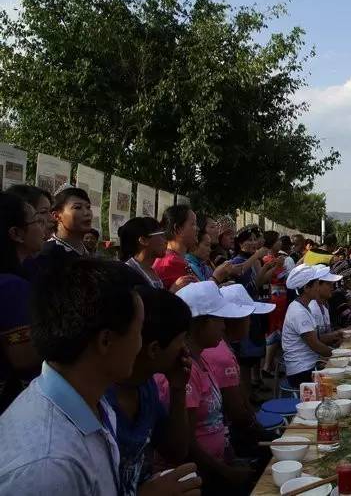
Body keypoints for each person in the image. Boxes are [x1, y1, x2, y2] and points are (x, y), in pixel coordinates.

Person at [0, 260, 201, 495]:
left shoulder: (92, 401)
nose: (141, 346)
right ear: (106, 341)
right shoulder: (46, 467)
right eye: (138, 332)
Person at [156, 281, 258, 494]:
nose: (224, 325)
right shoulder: (186, 369)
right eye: (219, 318)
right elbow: (187, 444)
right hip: (201, 479)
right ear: (200, 323)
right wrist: (225, 472)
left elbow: (216, 421)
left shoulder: (202, 359)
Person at [105, 287, 194, 496]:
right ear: (154, 349)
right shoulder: (99, 401)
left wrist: (178, 388)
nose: (185, 349)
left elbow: (176, 451)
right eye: (181, 340)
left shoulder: (145, 386)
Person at [207, 285, 276, 460]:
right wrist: (258, 429)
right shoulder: (221, 354)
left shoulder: (224, 347)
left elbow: (241, 397)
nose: (251, 323)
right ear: (233, 320)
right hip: (229, 439)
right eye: (248, 317)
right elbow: (237, 412)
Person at [0, 192, 46, 412]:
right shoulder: (10, 287)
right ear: (16, 233)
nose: (44, 226)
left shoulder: (26, 273)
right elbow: (25, 357)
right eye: (37, 220)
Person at [282, 265, 344, 386]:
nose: (318, 288)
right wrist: (340, 355)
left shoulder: (303, 307)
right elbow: (316, 345)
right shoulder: (299, 312)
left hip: (310, 365)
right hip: (302, 371)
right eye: (316, 284)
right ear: (306, 288)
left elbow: (317, 341)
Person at [37, 186, 93, 266]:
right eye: (77, 207)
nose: (87, 213)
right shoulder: (46, 254)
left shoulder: (86, 252)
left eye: (88, 207)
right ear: (56, 216)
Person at [153, 205, 200, 291]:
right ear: (178, 229)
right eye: (193, 224)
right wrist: (216, 278)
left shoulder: (173, 258)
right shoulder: (171, 263)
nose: (198, 229)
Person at [119, 217, 169, 289]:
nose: (166, 241)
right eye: (161, 235)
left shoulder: (150, 270)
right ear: (143, 240)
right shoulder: (128, 272)